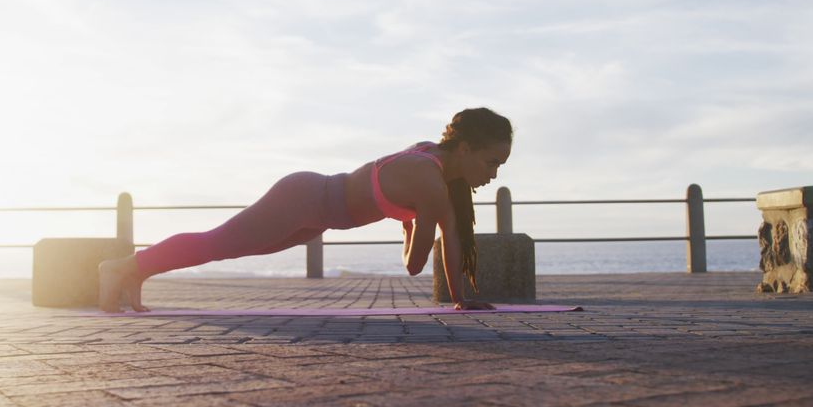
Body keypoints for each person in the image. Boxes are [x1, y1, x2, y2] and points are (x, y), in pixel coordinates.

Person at [97, 107, 513, 313]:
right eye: (491, 162)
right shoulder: (430, 181)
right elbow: (415, 265)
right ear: (464, 148)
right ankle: (119, 268)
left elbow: (452, 237)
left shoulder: (431, 162)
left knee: (231, 248)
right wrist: (411, 229)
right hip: (305, 198)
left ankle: (138, 271)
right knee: (218, 243)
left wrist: (461, 299)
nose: (493, 174)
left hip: (315, 213)